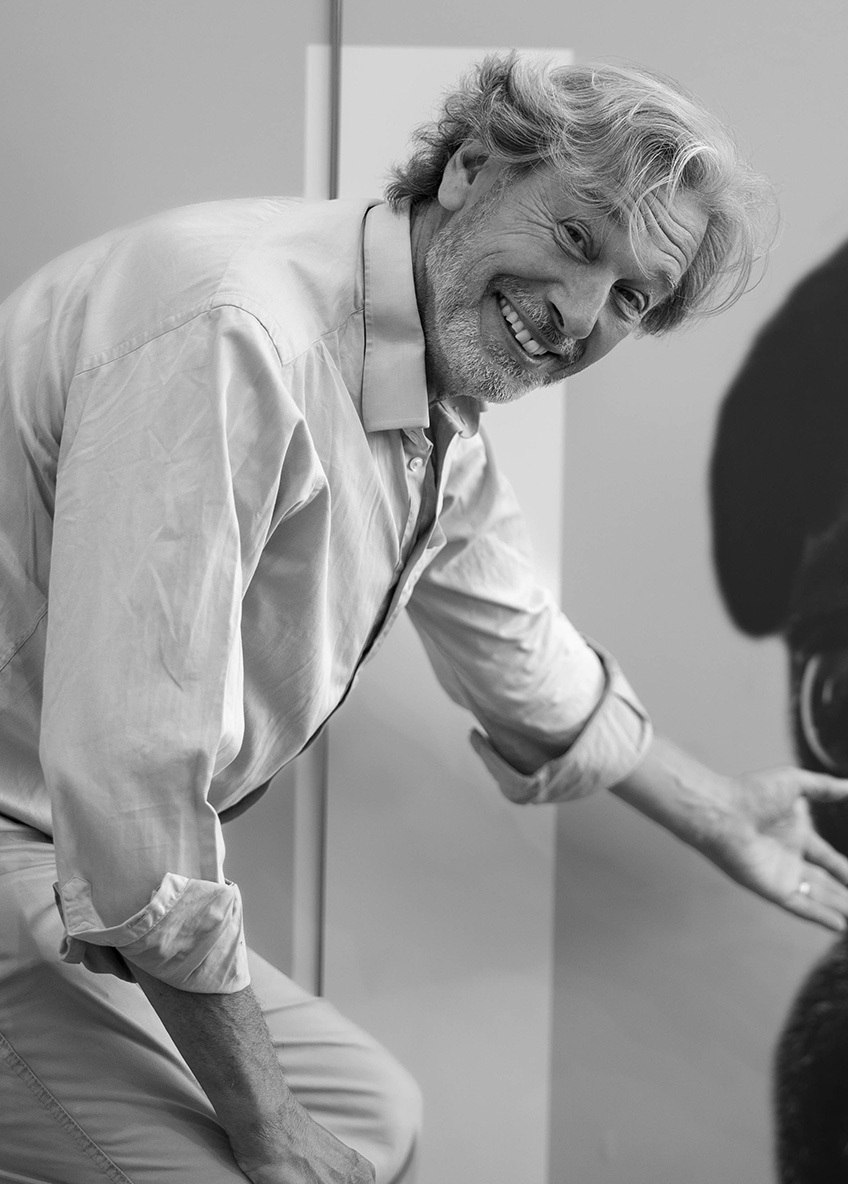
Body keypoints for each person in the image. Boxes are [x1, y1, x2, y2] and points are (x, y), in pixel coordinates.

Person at [1, 50, 846, 1184]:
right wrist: (264, 1125)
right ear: (472, 166)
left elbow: (522, 651)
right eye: (576, 236)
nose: (577, 315)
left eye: (629, 296)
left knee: (375, 1114)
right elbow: (130, 783)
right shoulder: (239, 332)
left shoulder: (422, 383)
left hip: (59, 844)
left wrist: (721, 813)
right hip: (37, 829)